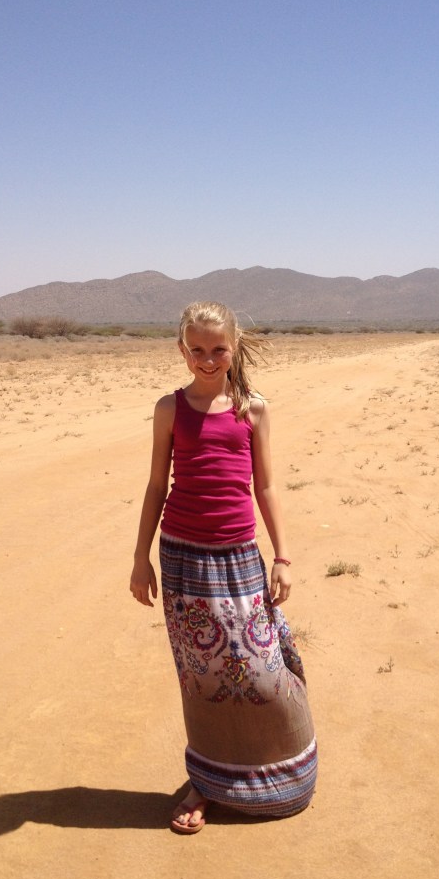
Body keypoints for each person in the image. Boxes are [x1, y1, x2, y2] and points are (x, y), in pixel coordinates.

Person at [129, 301, 317, 834]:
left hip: (239, 557)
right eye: (197, 350)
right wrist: (140, 559)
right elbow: (155, 487)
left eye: (218, 350)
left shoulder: (253, 408)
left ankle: (280, 771)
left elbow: (266, 486)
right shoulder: (169, 408)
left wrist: (281, 556)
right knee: (202, 678)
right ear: (181, 349)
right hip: (184, 559)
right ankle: (207, 783)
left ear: (233, 348)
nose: (207, 360)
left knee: (261, 672)